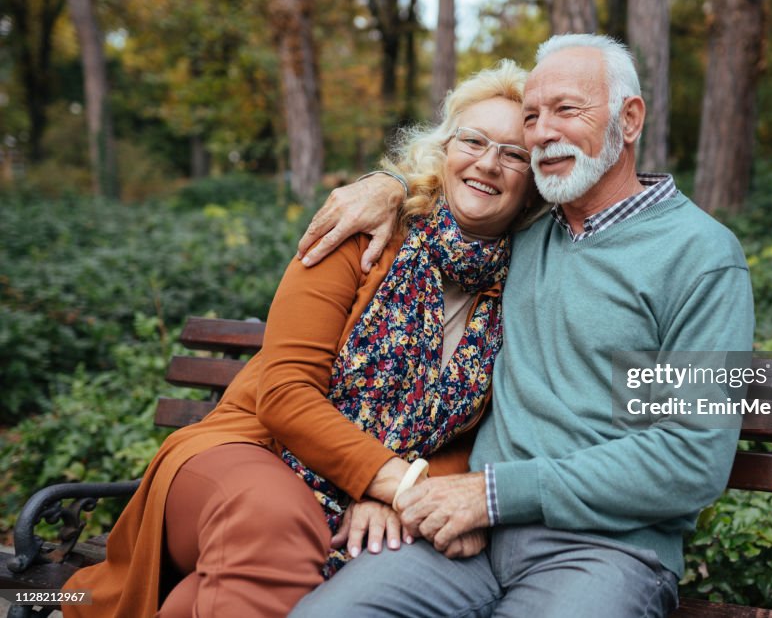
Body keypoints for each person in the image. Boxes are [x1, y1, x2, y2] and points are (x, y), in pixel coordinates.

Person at [289, 34, 756, 618]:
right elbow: (456, 193)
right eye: (532, 116)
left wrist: (490, 496)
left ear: (629, 119)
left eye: (566, 109)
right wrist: (390, 186)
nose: (542, 132)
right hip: (465, 543)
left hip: (602, 551)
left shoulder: (700, 256)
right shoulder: (524, 236)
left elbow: (691, 456)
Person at [62, 60, 541, 618]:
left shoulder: (523, 287)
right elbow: (285, 393)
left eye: (514, 155)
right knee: (273, 524)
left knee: (226, 591)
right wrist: (398, 484)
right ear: (444, 149)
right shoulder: (362, 232)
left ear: (533, 183)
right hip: (249, 453)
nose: (489, 162)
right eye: (474, 140)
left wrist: (396, 490)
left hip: (347, 499)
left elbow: (476, 434)